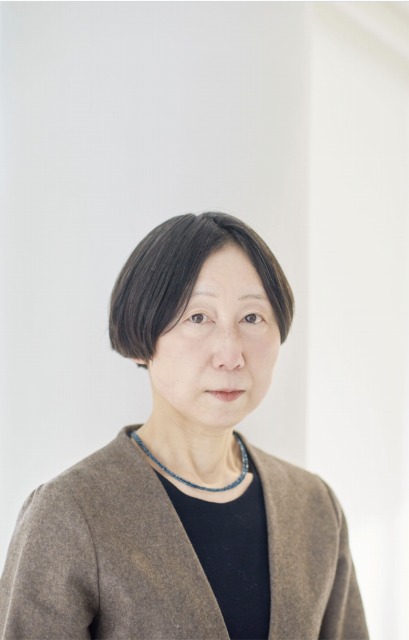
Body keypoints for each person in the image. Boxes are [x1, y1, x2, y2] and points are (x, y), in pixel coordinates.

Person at [0, 212, 369, 640]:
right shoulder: (70, 512)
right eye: (198, 317)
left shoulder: (314, 507)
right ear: (142, 336)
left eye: (252, 318)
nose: (231, 355)